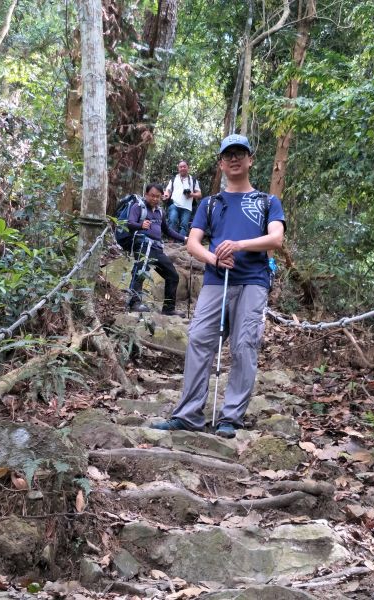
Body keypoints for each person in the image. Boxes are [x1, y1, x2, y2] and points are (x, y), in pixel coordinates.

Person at [151, 134, 285, 438]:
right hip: (215, 279)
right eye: (228, 155)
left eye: (240, 153)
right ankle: (188, 414)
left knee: (243, 344)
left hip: (253, 280)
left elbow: (276, 239)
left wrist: (237, 245)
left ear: (250, 159)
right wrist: (214, 258)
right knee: (199, 339)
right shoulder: (211, 203)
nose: (234, 159)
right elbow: (193, 243)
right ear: (221, 163)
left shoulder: (267, 201)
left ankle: (231, 417)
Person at [127, 183, 187, 316]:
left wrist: (185, 238)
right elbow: (129, 223)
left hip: (156, 248)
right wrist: (140, 225)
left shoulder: (160, 212)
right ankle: (134, 303)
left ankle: (168, 308)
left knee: (172, 275)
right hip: (142, 245)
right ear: (146, 194)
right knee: (140, 272)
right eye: (152, 196)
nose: (155, 199)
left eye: (158, 197)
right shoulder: (138, 207)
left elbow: (167, 230)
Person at [164, 160, 202, 236]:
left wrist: (191, 194)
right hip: (174, 204)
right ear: (178, 168)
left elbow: (199, 194)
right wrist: (166, 195)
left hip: (187, 207)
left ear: (188, 168)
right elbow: (168, 190)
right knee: (172, 220)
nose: (182, 168)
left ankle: (180, 241)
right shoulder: (174, 179)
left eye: (184, 166)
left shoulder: (193, 180)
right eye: (180, 167)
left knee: (184, 225)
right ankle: (171, 240)